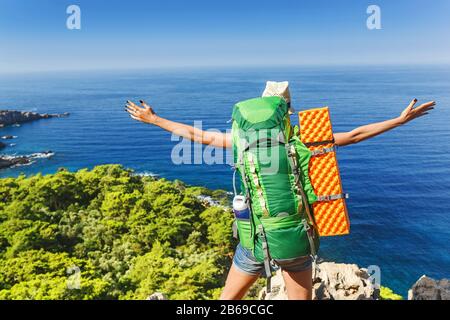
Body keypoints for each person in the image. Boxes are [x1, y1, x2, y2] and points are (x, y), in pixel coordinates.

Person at [125, 82, 435, 300]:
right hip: (294, 241)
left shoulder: (243, 144)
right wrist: (399, 120)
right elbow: (355, 136)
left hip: (254, 239)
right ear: (286, 113)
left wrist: (154, 119)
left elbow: (199, 136)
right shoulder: (303, 141)